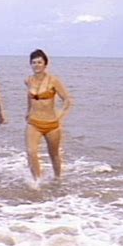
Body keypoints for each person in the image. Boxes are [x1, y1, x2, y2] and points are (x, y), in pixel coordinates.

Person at [25, 49, 72, 182]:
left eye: (39, 62)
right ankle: (37, 182)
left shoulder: (53, 81)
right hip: (34, 123)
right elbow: (29, 96)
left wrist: (60, 116)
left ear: (45, 64)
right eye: (33, 62)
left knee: (54, 154)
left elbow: (67, 100)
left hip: (51, 124)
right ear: (30, 64)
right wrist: (28, 111)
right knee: (31, 152)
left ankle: (58, 179)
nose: (36, 65)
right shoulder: (28, 80)